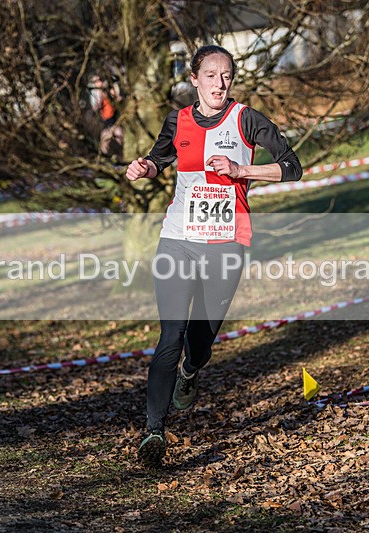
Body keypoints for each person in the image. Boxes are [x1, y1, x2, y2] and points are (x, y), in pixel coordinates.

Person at [125, 45, 303, 467]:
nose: (219, 83)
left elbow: (292, 166)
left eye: (225, 75)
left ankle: (192, 370)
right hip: (179, 240)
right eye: (210, 75)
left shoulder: (246, 119)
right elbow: (159, 158)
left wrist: (243, 171)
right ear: (194, 79)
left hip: (226, 243)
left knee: (200, 342)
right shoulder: (179, 120)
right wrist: (143, 168)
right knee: (171, 334)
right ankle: (153, 432)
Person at [89, 74, 123, 158]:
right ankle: (106, 157)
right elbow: (95, 106)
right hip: (105, 121)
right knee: (105, 139)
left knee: (118, 135)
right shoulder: (96, 94)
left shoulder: (110, 89)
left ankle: (120, 155)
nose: (98, 83)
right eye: (95, 82)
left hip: (114, 119)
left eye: (99, 81)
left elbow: (118, 99)